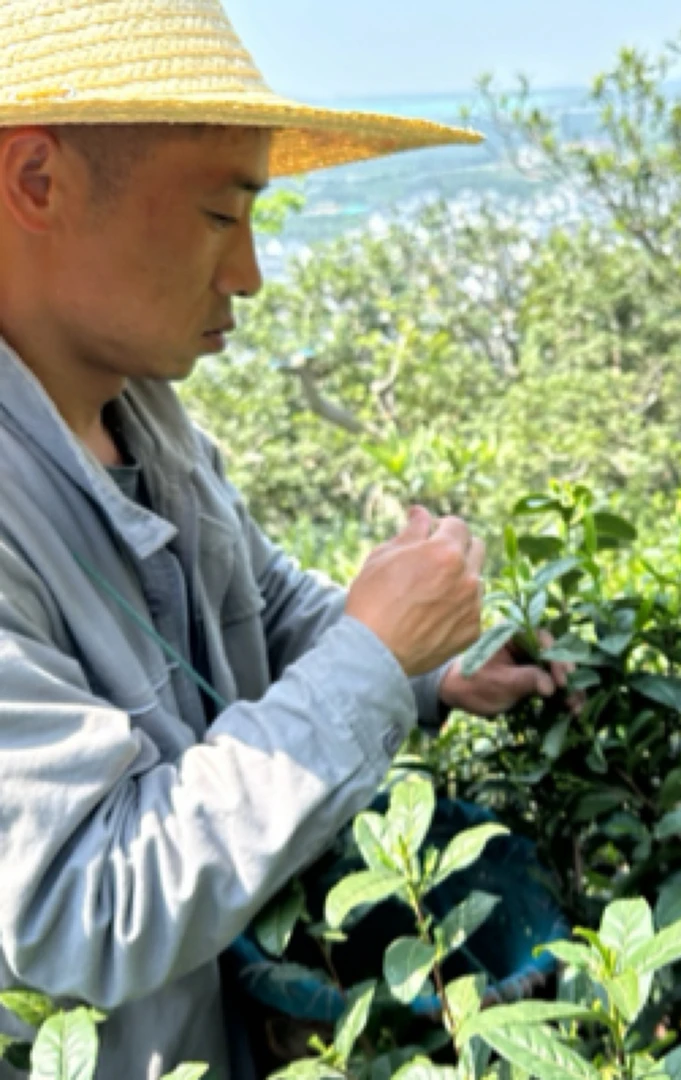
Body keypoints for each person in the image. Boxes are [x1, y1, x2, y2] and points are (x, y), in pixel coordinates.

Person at [0, 0, 568, 1076]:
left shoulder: (142, 412)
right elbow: (90, 903)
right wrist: (367, 659)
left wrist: (433, 669)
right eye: (222, 216)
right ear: (39, 182)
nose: (249, 273)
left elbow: (257, 611)